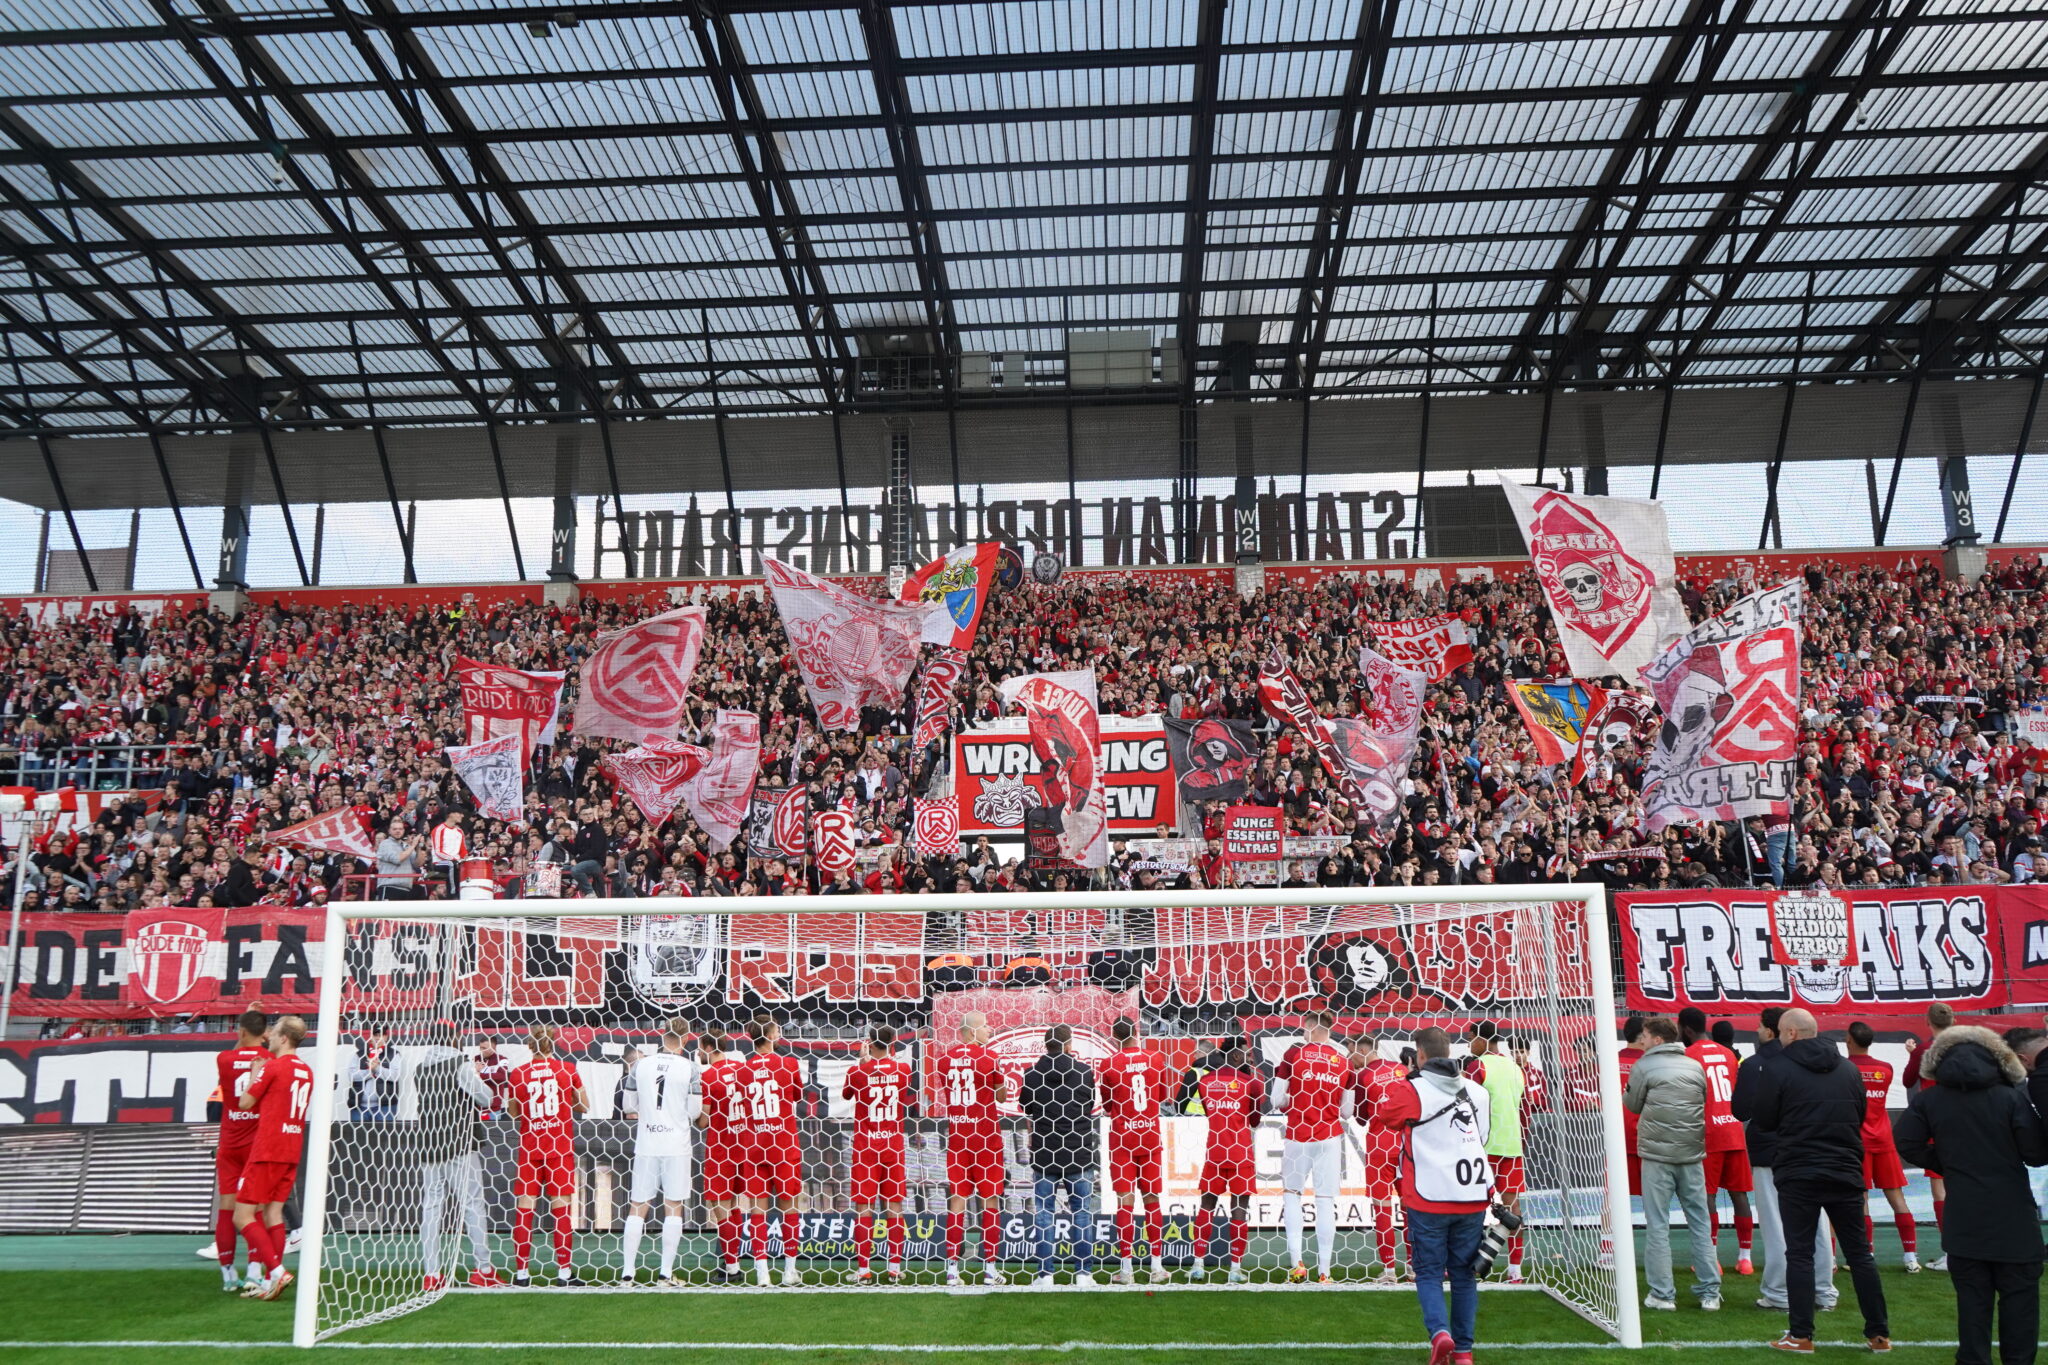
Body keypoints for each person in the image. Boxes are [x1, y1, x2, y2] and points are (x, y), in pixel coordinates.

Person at [1739, 1008, 1889, 1354]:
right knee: (1860, 1255)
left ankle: (1801, 1335)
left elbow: (1762, 1118)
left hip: (1799, 1171)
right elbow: (1860, 1114)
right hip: (1844, 1169)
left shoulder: (1777, 1068)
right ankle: (1879, 1335)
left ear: (1789, 1033)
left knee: (1801, 1254)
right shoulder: (1849, 1069)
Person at [1896, 1025, 2048, 1365]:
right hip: (2014, 1216)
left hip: (1964, 1216)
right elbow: (2036, 1154)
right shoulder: (2011, 1096)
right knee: (2021, 1305)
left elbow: (1906, 1142)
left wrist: (1949, 1161)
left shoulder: (1929, 1099)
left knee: (1972, 1306)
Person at [1376, 1026, 1492, 1365]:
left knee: (1427, 1272)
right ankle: (1464, 1352)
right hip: (1471, 1195)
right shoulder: (1476, 1091)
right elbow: (1481, 1137)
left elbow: (1385, 1117)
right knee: (1463, 1275)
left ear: (1420, 1055)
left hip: (1428, 1195)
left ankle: (1440, 1333)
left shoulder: (1413, 1089)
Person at [1731, 1006, 1837, 1316]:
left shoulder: (1760, 1065)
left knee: (1777, 1223)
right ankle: (1822, 1289)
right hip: (1813, 1148)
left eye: (1762, 1026)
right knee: (1815, 1219)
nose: (1758, 1031)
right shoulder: (1829, 1063)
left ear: (1775, 1030)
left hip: (1773, 1152)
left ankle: (1780, 1291)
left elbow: (1743, 1111)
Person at [1622, 1016, 1720, 1312]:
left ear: (1657, 1039)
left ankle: (1663, 1295)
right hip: (1691, 1155)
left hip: (1657, 1156)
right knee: (1700, 1222)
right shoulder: (1694, 1066)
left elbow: (1632, 1104)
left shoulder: (1644, 1066)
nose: (1642, 1040)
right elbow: (1702, 1100)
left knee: (1658, 1224)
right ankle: (1710, 1293)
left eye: (1646, 1035)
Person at [232, 1014, 314, 1303]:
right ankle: (270, 1279)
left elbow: (245, 1102)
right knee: (273, 1213)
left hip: (268, 1148)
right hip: (292, 1148)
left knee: (242, 1215)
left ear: (283, 1038)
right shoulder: (306, 1070)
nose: (268, 1035)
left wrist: (255, 1073)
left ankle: (277, 1271)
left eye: (273, 1031)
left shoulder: (273, 1067)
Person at [413, 1034, 501, 1292]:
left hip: (429, 1144)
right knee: (472, 1204)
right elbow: (486, 1098)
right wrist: (475, 1075)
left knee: (431, 1207)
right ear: (456, 1042)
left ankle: (431, 1273)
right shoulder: (460, 1065)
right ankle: (483, 1269)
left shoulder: (420, 1069)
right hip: (460, 1143)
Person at [1017, 1023, 1099, 1287]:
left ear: (1046, 1045)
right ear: (1069, 1044)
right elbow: (1088, 1105)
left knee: (1044, 1213)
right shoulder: (1084, 1072)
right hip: (1079, 1153)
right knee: (1082, 1212)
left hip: (1045, 1153)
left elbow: (1027, 1106)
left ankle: (1046, 1275)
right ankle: (1084, 1274)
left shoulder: (1032, 1074)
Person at [505, 1024, 587, 1287]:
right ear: (554, 1043)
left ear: (530, 1046)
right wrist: (565, 1102)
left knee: (525, 1209)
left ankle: (522, 1274)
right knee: (561, 1210)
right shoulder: (567, 1069)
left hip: (530, 1147)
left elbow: (513, 1113)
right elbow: (584, 1105)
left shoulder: (518, 1074)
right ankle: (563, 1273)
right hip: (559, 1148)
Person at [1274, 1008, 1350, 1284]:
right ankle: (1325, 1272)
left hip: (1298, 1134)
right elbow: (1347, 1112)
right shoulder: (1343, 1061)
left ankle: (1297, 1265)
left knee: (1292, 1194)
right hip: (1329, 1136)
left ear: (1310, 1029)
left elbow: (1276, 1100)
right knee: (1325, 1200)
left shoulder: (1294, 1054)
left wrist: (1293, 1102)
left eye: (1304, 1029)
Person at [1679, 1007, 1754, 1274]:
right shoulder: (1729, 1054)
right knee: (1739, 1194)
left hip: (1708, 1132)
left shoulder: (1688, 1056)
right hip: (1733, 1129)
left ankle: (1710, 1257)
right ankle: (1745, 1258)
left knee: (1706, 1195)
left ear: (1686, 1029)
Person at [620, 1026, 697, 1285]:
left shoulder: (640, 1066)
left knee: (638, 1205)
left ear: (662, 1037)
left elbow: (628, 1106)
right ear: (686, 1039)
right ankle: (665, 1273)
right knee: (673, 1206)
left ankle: (627, 1274)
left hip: (647, 1143)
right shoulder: (690, 1067)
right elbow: (696, 1111)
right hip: (676, 1144)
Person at [937, 1009, 1007, 1285]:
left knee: (957, 1202)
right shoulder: (989, 1058)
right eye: (986, 1026)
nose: (990, 1030)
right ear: (971, 1031)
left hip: (958, 1139)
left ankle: (952, 1270)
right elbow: (1001, 1096)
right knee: (989, 1202)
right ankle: (990, 1270)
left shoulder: (943, 1061)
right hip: (986, 1139)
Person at [1843, 1021, 1920, 1272]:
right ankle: (1911, 1257)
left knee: (1861, 1199)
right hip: (1884, 1138)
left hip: (1858, 1142)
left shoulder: (1845, 1069)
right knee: (1896, 1197)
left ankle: (1867, 1255)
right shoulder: (1884, 1068)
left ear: (1849, 1040)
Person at [1097, 1015, 1169, 1284]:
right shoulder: (1155, 1058)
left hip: (1122, 1138)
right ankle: (1157, 1267)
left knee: (1124, 1201)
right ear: (1136, 1031)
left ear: (1114, 1035)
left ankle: (1126, 1270)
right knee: (1152, 1199)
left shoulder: (1108, 1063)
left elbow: (1106, 1103)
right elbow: (1162, 1096)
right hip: (1149, 1135)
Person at [1188, 1036, 1264, 1284]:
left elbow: (1210, 1113)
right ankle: (1235, 1268)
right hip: (1241, 1152)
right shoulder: (1250, 1082)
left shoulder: (1206, 1081)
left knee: (1207, 1205)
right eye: (1244, 1052)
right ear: (1234, 1055)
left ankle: (1198, 1265)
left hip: (1215, 1151)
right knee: (1239, 1208)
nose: (1248, 1056)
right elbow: (1254, 1120)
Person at [841, 1024, 912, 1284]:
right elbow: (903, 1094)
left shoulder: (857, 1069)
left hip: (866, 1146)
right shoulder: (903, 1069)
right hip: (892, 1144)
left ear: (869, 1042)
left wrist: (863, 1061)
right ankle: (894, 1268)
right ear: (893, 1042)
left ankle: (864, 1270)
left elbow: (847, 1093)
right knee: (894, 1206)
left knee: (864, 1208)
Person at [740, 1016, 805, 1286]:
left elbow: (745, 1104)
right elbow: (797, 1095)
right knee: (790, 1206)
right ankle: (789, 1271)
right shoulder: (788, 1063)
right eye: (777, 1029)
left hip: (755, 1143)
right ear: (769, 1034)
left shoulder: (743, 1069)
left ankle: (761, 1272)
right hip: (783, 1143)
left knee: (758, 1210)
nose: (780, 1033)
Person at [1464, 1021, 1527, 1283]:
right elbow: (1524, 1109)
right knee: (1514, 1207)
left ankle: (1467, 1265)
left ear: (1480, 1039)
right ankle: (1515, 1270)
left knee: (1471, 1207)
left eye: (1470, 1039)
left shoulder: (1477, 1066)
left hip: (1484, 1147)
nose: (1469, 1045)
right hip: (1512, 1146)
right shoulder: (1515, 1067)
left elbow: (1465, 1107)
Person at [211, 1009, 269, 1293]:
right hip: (255, 1145)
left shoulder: (224, 1058)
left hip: (229, 1144)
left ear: (241, 1032)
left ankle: (227, 1274)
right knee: (255, 1209)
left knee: (226, 1209)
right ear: (266, 1034)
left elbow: (236, 1055)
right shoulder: (270, 1060)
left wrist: (245, 1025)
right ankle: (255, 1271)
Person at [1901, 1001, 1955, 1267]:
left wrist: (1913, 1054)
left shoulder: (1924, 1049)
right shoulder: (1966, 1046)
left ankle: (1952, 1252)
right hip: (1966, 1122)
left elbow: (1908, 1080)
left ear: (1928, 1021)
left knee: (1941, 1190)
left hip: (1936, 1123)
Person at [694, 1029, 749, 1283]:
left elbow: (704, 1121)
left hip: (720, 1150)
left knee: (721, 1209)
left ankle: (732, 1268)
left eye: (699, 1047)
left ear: (706, 1047)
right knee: (736, 1205)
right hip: (744, 1147)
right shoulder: (742, 1070)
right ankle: (734, 1263)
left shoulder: (707, 1075)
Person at [1352, 1033, 1407, 1281]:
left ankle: (1389, 1271)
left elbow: (1361, 1118)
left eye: (1351, 1051)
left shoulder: (1363, 1076)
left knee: (1382, 1207)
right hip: (1407, 1143)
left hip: (1380, 1144)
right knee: (1411, 1208)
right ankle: (1415, 1268)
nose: (1349, 1057)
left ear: (1362, 1051)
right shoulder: (1402, 1069)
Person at [1616, 1015, 1647, 1198]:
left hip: (1618, 1139)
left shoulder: (1609, 1062)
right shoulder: (1650, 1063)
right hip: (1647, 1137)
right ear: (1644, 1036)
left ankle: (1615, 1227)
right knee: (1653, 1196)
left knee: (1617, 1196)